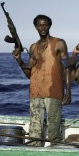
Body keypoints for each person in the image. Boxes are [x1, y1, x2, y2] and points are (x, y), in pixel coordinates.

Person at [12, 15, 71, 146]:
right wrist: (19, 60)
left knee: (54, 131)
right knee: (34, 133)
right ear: (36, 27)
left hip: (53, 91)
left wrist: (68, 92)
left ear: (49, 26)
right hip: (35, 93)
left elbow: (66, 68)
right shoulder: (33, 47)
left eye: (45, 25)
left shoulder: (59, 43)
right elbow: (29, 74)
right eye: (39, 25)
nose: (42, 27)